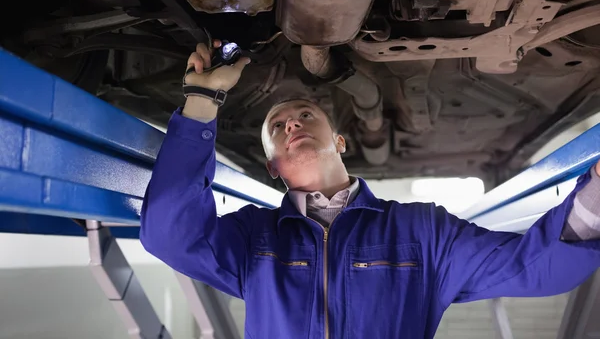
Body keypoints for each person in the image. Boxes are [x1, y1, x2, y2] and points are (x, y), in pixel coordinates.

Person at [140, 41, 600, 339]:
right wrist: (202, 101)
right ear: (273, 166)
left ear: (339, 141)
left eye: (304, 115)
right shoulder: (254, 239)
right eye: (277, 127)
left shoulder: (422, 232)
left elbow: (533, 269)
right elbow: (169, 235)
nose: (292, 123)